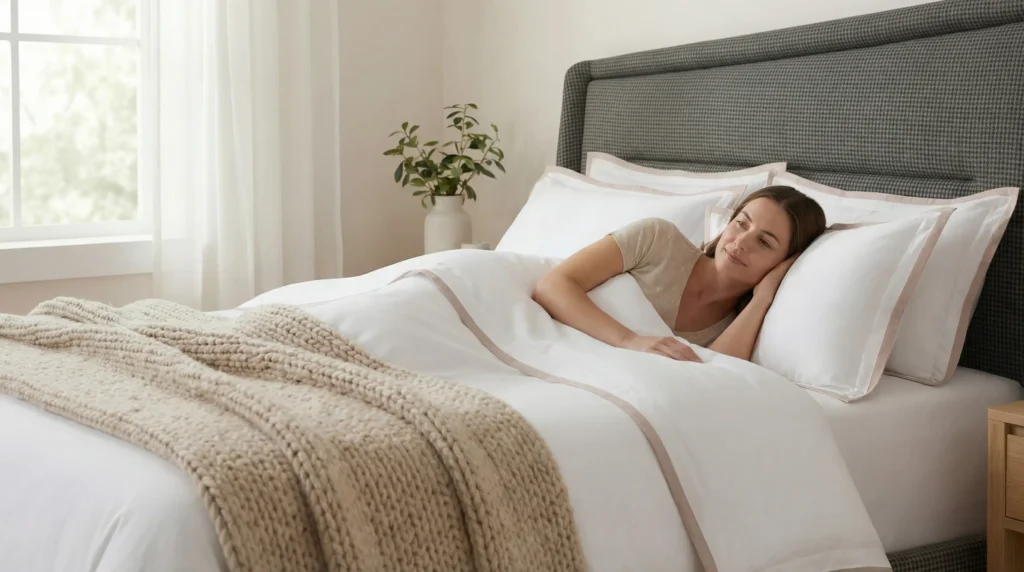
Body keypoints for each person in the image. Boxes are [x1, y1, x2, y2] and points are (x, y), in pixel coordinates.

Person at [531, 186, 827, 362]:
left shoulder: (740, 327)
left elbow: (716, 378)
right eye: (741, 223)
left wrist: (762, 299)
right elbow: (552, 285)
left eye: (764, 242)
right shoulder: (657, 239)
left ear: (783, 263)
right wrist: (629, 341)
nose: (741, 242)